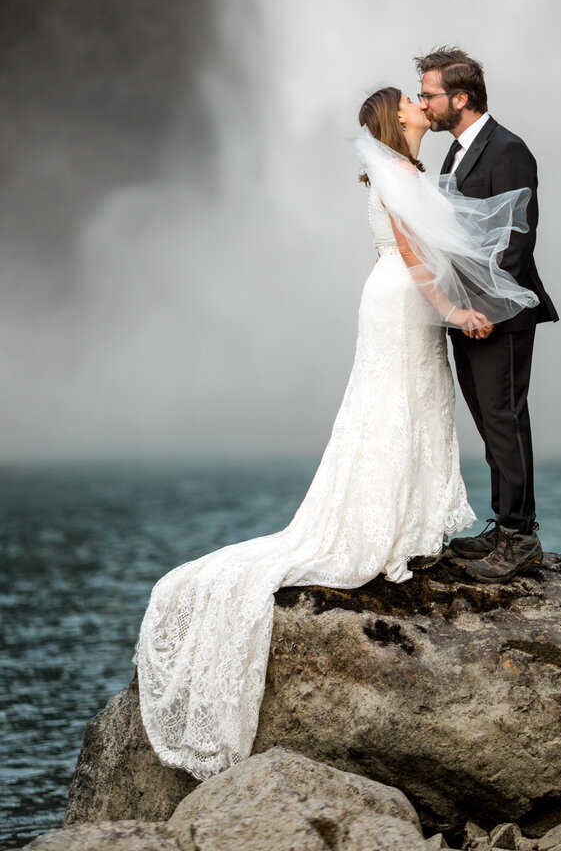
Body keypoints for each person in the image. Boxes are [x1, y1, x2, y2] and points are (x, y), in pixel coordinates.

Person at [134, 86, 538, 780]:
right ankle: (385, 530)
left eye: (426, 96)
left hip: (393, 302)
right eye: (413, 103)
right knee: (394, 411)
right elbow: (417, 254)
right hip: (406, 301)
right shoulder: (402, 174)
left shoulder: (406, 171)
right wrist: (458, 312)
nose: (421, 105)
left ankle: (403, 523)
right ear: (395, 121)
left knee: (394, 411)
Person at [415, 47, 559, 584]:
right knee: (488, 421)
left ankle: (521, 537)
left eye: (429, 95)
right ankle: (505, 525)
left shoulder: (509, 150)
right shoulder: (454, 154)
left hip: (498, 312)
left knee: (505, 419)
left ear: (461, 97)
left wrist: (486, 308)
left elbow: (518, 240)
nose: (423, 104)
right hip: (466, 312)